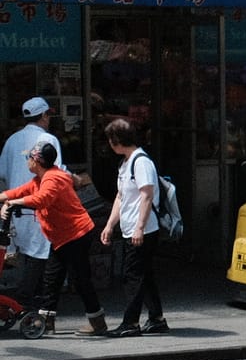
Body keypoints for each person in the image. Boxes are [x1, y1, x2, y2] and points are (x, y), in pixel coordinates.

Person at [1, 140, 106, 337]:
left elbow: (42, 200)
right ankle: (47, 322)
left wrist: (13, 203)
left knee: (80, 279)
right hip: (62, 237)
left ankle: (97, 322)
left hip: (76, 235)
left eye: (29, 158)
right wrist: (5, 198)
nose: (27, 161)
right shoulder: (40, 179)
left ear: (37, 161)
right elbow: (20, 191)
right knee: (52, 277)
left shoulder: (53, 178)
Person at [100, 117, 168, 337]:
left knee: (132, 276)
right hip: (131, 228)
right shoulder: (126, 163)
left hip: (143, 231)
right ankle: (157, 318)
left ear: (117, 140)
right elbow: (121, 197)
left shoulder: (141, 162)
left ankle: (130, 323)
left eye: (110, 139)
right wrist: (110, 225)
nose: (109, 144)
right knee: (143, 274)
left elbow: (147, 195)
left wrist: (139, 227)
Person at [2, 97, 61, 288]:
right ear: (43, 116)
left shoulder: (12, 140)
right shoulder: (48, 140)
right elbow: (56, 174)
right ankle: (29, 299)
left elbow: (2, 174)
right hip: (40, 209)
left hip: (17, 211)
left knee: (25, 256)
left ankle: (27, 297)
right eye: (48, 114)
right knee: (40, 258)